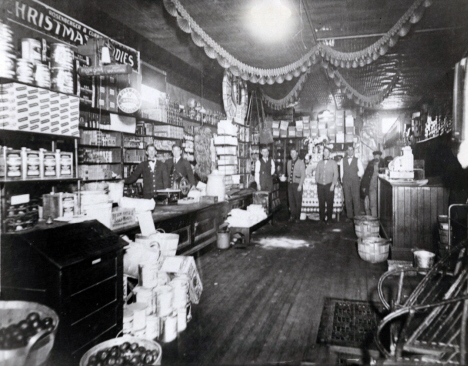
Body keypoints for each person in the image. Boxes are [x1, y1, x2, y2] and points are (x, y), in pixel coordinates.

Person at [315, 147, 339, 225]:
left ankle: (329, 219)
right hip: (321, 186)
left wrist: (333, 184)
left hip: (329, 185)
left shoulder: (333, 163)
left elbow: (336, 174)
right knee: (321, 202)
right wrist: (318, 182)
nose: (325, 153)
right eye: (324, 152)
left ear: (329, 153)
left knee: (329, 203)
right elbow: (316, 174)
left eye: (327, 152)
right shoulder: (319, 163)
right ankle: (321, 219)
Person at [339, 146, 364, 220]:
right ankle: (349, 216)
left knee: (356, 198)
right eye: (348, 150)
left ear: (353, 151)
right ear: (347, 151)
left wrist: (356, 176)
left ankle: (357, 216)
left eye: (351, 150)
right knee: (347, 199)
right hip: (346, 181)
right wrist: (342, 180)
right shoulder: (342, 160)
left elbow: (361, 171)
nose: (350, 151)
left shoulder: (357, 160)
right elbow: (341, 171)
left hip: (355, 182)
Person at [361, 151, 383, 217]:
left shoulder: (384, 163)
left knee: (381, 204)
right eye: (375, 156)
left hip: (382, 187)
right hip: (372, 186)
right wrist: (364, 186)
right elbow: (366, 175)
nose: (376, 157)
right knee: (372, 203)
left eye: (378, 156)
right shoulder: (370, 164)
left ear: (380, 156)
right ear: (373, 156)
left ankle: (380, 219)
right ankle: (374, 218)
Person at [287, 148, 306, 222]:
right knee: (291, 201)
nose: (292, 154)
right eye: (291, 153)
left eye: (294, 153)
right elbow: (288, 174)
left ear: (297, 153)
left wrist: (300, 185)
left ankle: (297, 217)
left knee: (298, 201)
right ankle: (292, 215)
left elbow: (303, 175)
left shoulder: (301, 163)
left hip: (297, 185)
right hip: (290, 184)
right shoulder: (288, 162)